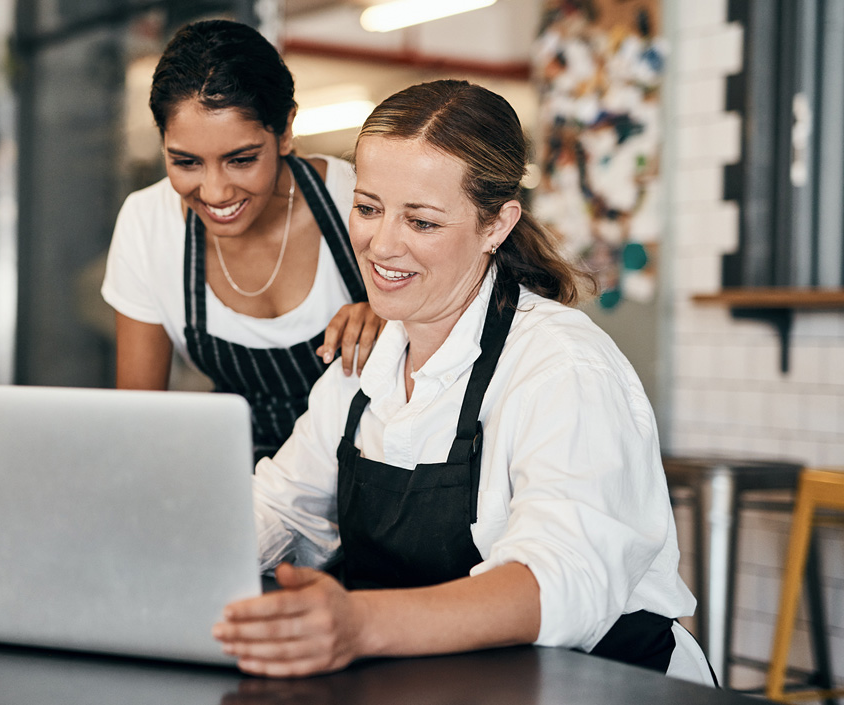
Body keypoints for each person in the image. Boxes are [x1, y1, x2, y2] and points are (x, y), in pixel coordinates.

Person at [211, 79, 714, 685]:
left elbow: (563, 582)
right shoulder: (368, 359)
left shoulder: (561, 365)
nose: (381, 243)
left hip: (600, 687)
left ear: (496, 225)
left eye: (421, 221)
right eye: (368, 208)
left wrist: (361, 621)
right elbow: (282, 509)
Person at [101, 20, 382, 461]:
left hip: (372, 474)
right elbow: (139, 422)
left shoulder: (359, 200)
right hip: (239, 479)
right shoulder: (147, 224)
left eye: (241, 159)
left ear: (286, 130)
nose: (214, 192)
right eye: (186, 162)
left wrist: (396, 322)